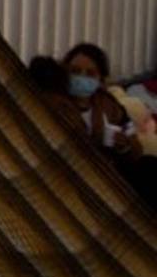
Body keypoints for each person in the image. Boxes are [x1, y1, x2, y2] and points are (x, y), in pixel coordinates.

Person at [62, 42, 156, 206]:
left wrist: (125, 146)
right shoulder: (57, 105)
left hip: (111, 170)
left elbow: (134, 144)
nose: (82, 78)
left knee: (149, 165)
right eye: (75, 71)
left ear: (100, 80)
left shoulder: (109, 105)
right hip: (77, 173)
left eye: (90, 74)